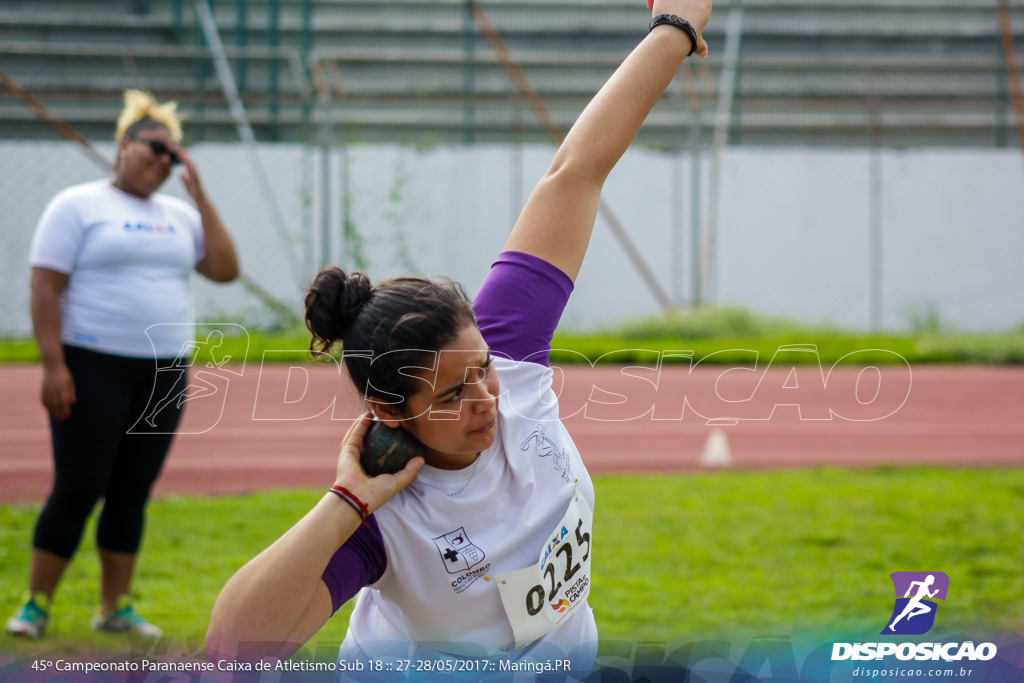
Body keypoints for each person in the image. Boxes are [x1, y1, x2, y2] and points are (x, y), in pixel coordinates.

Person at [206, 0, 710, 672]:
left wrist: (674, 28)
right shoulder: (385, 519)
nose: (484, 399)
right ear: (387, 413)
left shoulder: (506, 348)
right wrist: (348, 501)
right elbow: (231, 648)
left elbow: (577, 169)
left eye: (480, 369)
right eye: (450, 393)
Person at [4, 89, 240, 639]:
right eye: (155, 148)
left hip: (162, 371)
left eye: (174, 156)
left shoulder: (179, 214)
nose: (163, 161)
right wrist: (52, 365)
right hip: (91, 363)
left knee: (134, 487)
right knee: (80, 483)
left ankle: (115, 607)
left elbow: (226, 269)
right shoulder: (77, 205)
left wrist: (200, 195)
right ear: (124, 144)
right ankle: (36, 604)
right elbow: (45, 286)